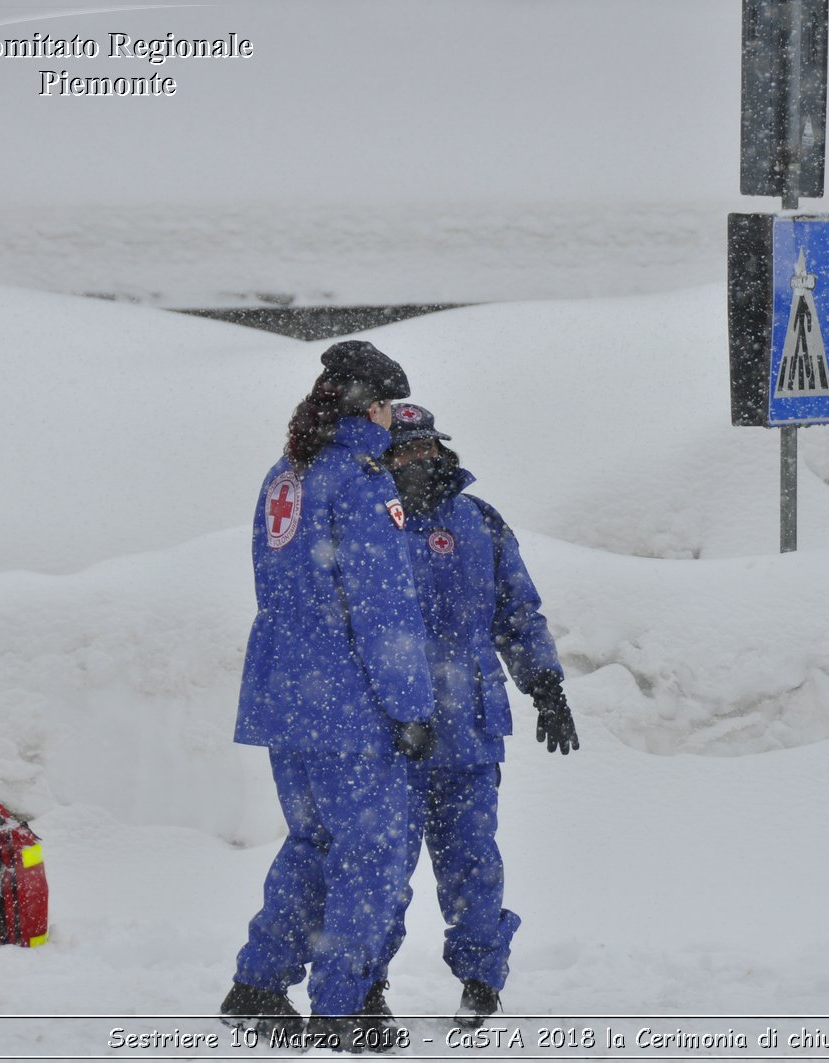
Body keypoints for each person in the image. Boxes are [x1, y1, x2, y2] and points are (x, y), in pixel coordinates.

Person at [220, 341, 439, 1053]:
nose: (392, 417)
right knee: (370, 853)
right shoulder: (362, 481)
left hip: (286, 695)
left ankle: (258, 985)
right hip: (348, 702)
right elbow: (385, 607)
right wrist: (410, 705)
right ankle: (343, 1008)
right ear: (370, 406)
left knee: (314, 842)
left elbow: (279, 584)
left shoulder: (285, 475)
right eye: (388, 404)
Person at [359, 401, 579, 1029]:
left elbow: (518, 612)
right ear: (382, 458)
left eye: (425, 447)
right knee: (382, 869)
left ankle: (481, 980)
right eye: (402, 450)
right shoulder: (369, 523)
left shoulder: (480, 522)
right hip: (393, 734)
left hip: (470, 730)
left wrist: (546, 687)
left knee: (473, 863)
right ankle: (368, 984)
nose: (416, 459)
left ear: (441, 448)